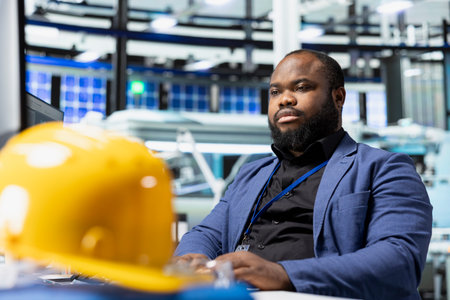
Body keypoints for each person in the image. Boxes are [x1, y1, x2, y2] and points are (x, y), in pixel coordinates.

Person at [174, 49, 432, 299]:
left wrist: (283, 274)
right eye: (275, 92)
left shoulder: (383, 168)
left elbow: (400, 261)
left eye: (301, 87)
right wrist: (191, 258)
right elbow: (206, 234)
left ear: (338, 98)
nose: (284, 99)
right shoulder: (251, 175)